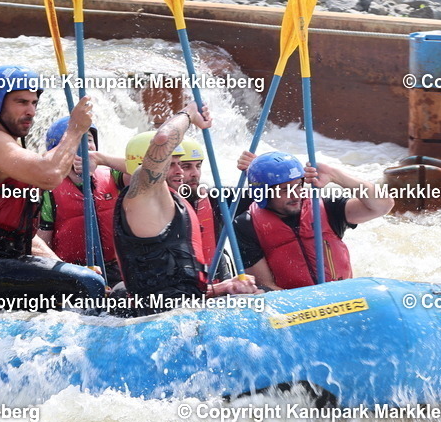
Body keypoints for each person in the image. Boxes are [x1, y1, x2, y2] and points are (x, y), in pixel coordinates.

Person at [0, 65, 106, 309]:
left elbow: (24, 236)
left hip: (2, 262)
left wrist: (63, 267)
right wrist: (76, 129)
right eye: (21, 102)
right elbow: (50, 175)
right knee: (88, 284)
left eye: (34, 103)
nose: (31, 111)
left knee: (84, 278)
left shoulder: (9, 149)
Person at [113, 103, 258, 313]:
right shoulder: (142, 195)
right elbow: (163, 139)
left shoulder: (166, 200)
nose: (180, 171)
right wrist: (189, 113)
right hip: (160, 320)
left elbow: (176, 288)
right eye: (171, 164)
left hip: (179, 312)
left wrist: (223, 287)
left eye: (181, 164)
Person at [235, 151, 394, 290]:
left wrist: (335, 175)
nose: (295, 194)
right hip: (297, 309)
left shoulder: (326, 207)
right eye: (285, 190)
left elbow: (383, 206)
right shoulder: (246, 225)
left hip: (343, 299)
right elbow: (266, 286)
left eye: (298, 186)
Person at [38, 116, 127, 284]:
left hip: (117, 270)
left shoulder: (112, 176)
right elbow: (42, 244)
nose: (84, 147)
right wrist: (71, 274)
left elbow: (149, 171)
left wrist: (102, 158)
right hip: (73, 274)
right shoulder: (48, 191)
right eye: (76, 142)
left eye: (89, 140)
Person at [167, 137, 238, 279]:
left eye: (198, 166)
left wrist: (253, 168)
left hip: (218, 281)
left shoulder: (215, 198)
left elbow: (266, 195)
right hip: (180, 291)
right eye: (186, 167)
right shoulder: (150, 207)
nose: (195, 173)